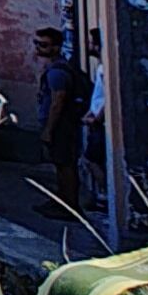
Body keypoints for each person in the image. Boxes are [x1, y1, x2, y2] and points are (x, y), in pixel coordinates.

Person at [35, 28, 93, 214]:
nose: (38, 48)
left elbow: (57, 102)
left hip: (62, 126)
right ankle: (62, 201)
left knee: (65, 165)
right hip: (62, 124)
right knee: (60, 164)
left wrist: (48, 130)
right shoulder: (56, 68)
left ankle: (69, 205)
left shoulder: (57, 72)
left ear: (56, 47)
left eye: (43, 45)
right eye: (37, 43)